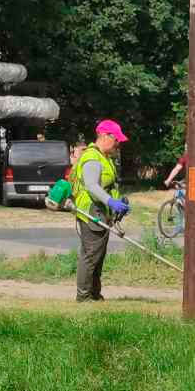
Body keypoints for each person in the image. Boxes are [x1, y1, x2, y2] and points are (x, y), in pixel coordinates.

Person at [71, 119, 129, 302]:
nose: (118, 144)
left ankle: (95, 294)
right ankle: (83, 296)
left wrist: (118, 201)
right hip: (91, 211)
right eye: (116, 140)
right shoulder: (92, 158)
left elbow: (107, 185)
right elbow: (91, 186)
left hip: (101, 210)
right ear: (105, 136)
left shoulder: (104, 157)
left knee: (98, 254)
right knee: (91, 255)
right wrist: (110, 201)